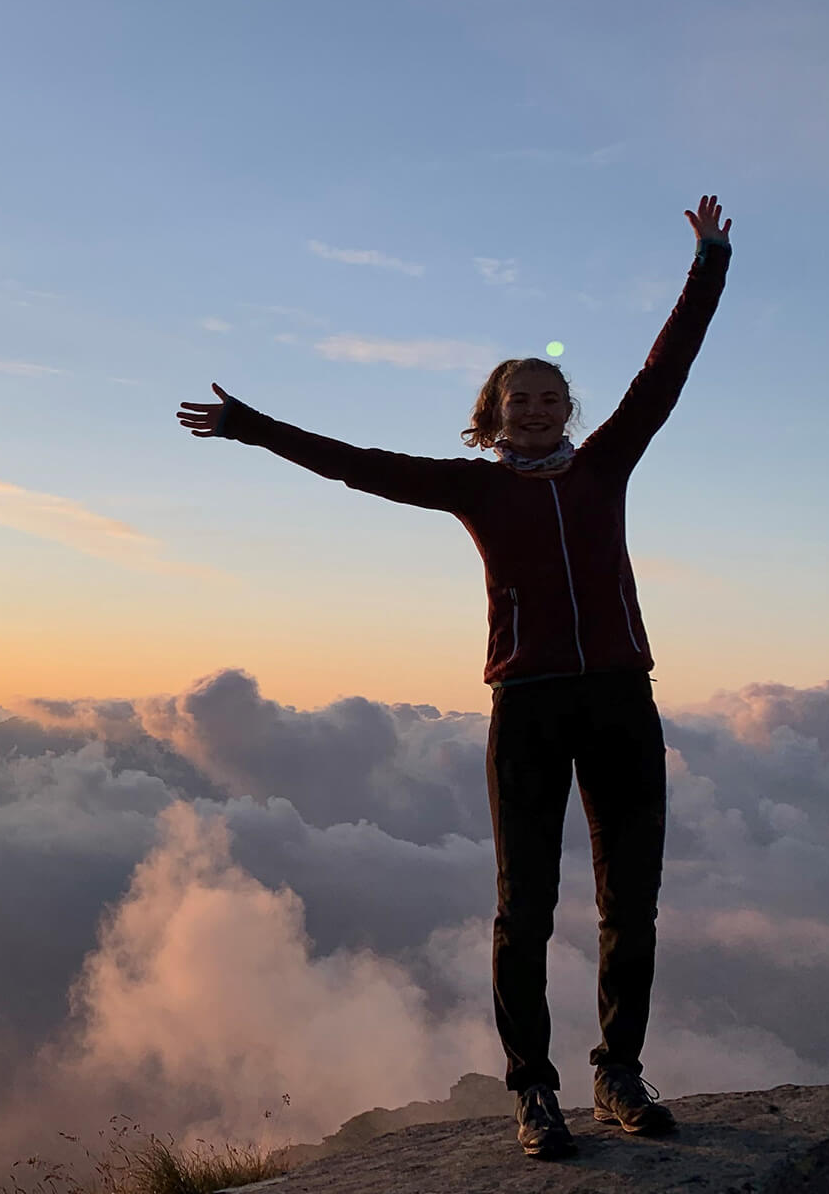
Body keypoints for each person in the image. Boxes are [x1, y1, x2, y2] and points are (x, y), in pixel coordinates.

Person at [177, 196, 734, 1160]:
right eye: (519, 400)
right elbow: (355, 465)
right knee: (524, 910)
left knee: (630, 904)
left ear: (569, 410)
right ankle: (533, 1091)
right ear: (494, 415)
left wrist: (709, 261)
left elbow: (665, 370)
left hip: (619, 701)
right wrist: (251, 427)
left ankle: (618, 1073)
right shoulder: (472, 486)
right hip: (526, 707)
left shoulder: (605, 465)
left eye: (550, 397)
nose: (537, 410)